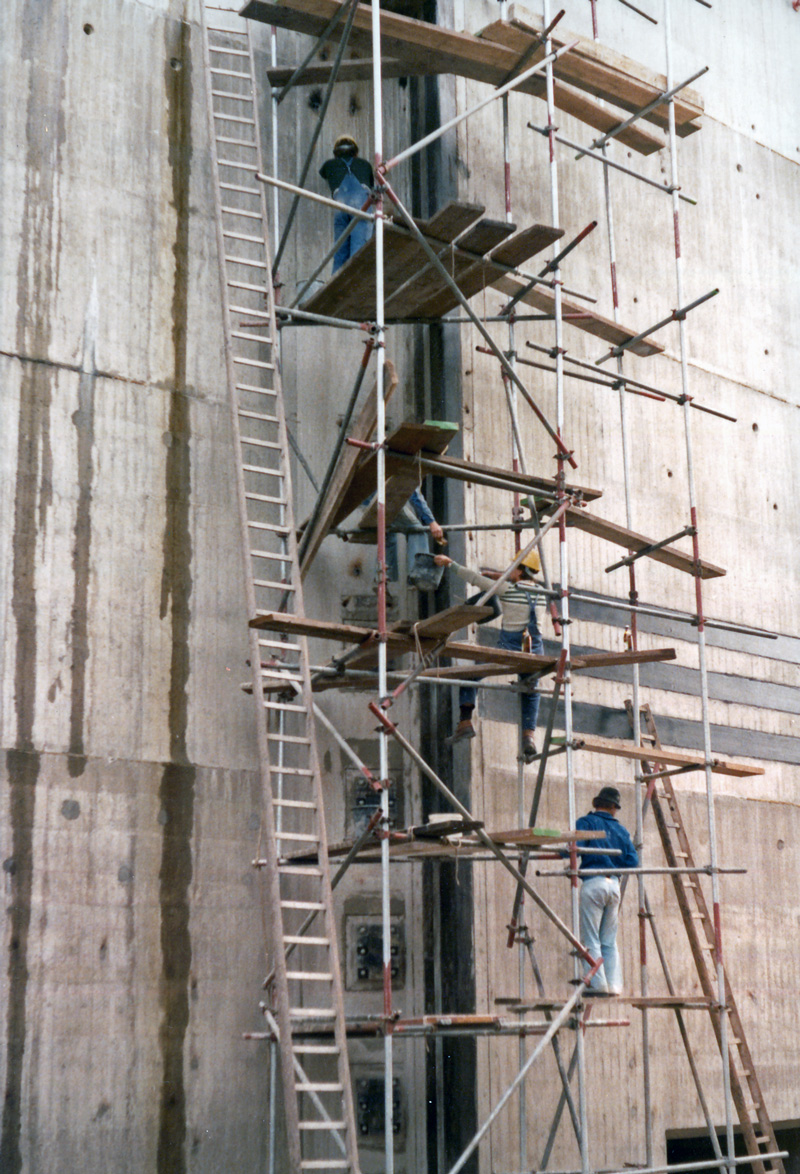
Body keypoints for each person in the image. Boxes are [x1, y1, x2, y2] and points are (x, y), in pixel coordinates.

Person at [434, 549, 544, 763]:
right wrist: (497, 575)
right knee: (531, 692)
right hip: (534, 652)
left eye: (514, 567)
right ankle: (528, 737)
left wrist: (450, 563)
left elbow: (474, 579)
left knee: (470, 674)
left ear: (520, 570)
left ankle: (465, 722)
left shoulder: (506, 590)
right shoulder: (542, 594)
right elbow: (515, 583)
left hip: (509, 650)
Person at [575, 786, 639, 995]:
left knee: (591, 938)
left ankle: (597, 984)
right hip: (614, 886)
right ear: (614, 808)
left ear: (596, 803)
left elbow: (574, 848)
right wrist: (613, 861)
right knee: (609, 940)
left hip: (593, 883)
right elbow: (632, 862)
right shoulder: (621, 830)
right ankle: (615, 985)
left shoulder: (587, 822)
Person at [319, 135, 374, 273]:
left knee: (340, 253)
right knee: (358, 250)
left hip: (340, 206)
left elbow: (323, 174)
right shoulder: (365, 165)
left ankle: (335, 290)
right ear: (355, 153)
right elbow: (371, 184)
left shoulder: (329, 165)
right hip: (361, 206)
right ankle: (356, 285)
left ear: (336, 153)